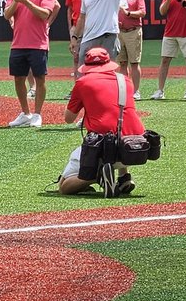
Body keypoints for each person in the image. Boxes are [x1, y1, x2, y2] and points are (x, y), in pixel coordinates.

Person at [58, 47, 145, 197]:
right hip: (135, 146)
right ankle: (124, 177)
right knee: (120, 122)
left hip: (106, 148)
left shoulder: (83, 83)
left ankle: (98, 175)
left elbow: (68, 118)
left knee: (64, 186)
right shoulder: (125, 80)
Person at [4, 0, 60, 127]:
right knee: (18, 79)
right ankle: (25, 113)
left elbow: (45, 14)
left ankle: (37, 114)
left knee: (40, 79)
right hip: (19, 43)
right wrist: (16, 0)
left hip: (38, 43)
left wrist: (25, 1)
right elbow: (7, 15)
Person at [117, 0, 147, 98]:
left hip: (133, 31)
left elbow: (142, 12)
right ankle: (125, 92)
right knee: (122, 63)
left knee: (134, 62)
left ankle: (135, 91)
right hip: (118, 32)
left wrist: (129, 13)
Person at [65, 0, 91, 79]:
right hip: (76, 26)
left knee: (90, 56)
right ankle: (77, 86)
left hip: (91, 27)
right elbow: (69, 9)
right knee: (76, 57)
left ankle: (90, 84)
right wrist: (71, 28)